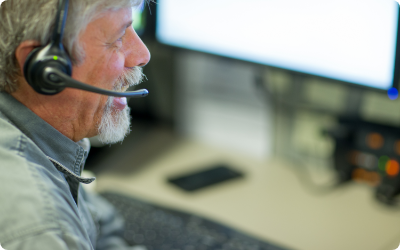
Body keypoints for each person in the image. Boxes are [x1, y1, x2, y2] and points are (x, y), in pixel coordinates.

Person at [0, 0, 150, 249]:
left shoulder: (49, 142)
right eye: (119, 36)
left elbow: (100, 229)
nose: (142, 55)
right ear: (46, 68)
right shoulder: (42, 229)